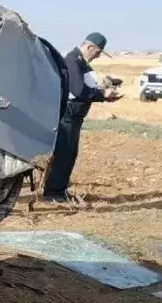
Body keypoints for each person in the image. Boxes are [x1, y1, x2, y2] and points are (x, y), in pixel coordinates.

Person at [42, 32, 120, 204]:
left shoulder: (80, 61)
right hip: (68, 115)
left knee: (70, 154)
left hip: (75, 117)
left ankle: (59, 190)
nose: (98, 56)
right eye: (98, 52)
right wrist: (102, 94)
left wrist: (102, 91)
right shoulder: (72, 60)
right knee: (64, 154)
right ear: (89, 47)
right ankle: (53, 192)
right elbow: (78, 90)